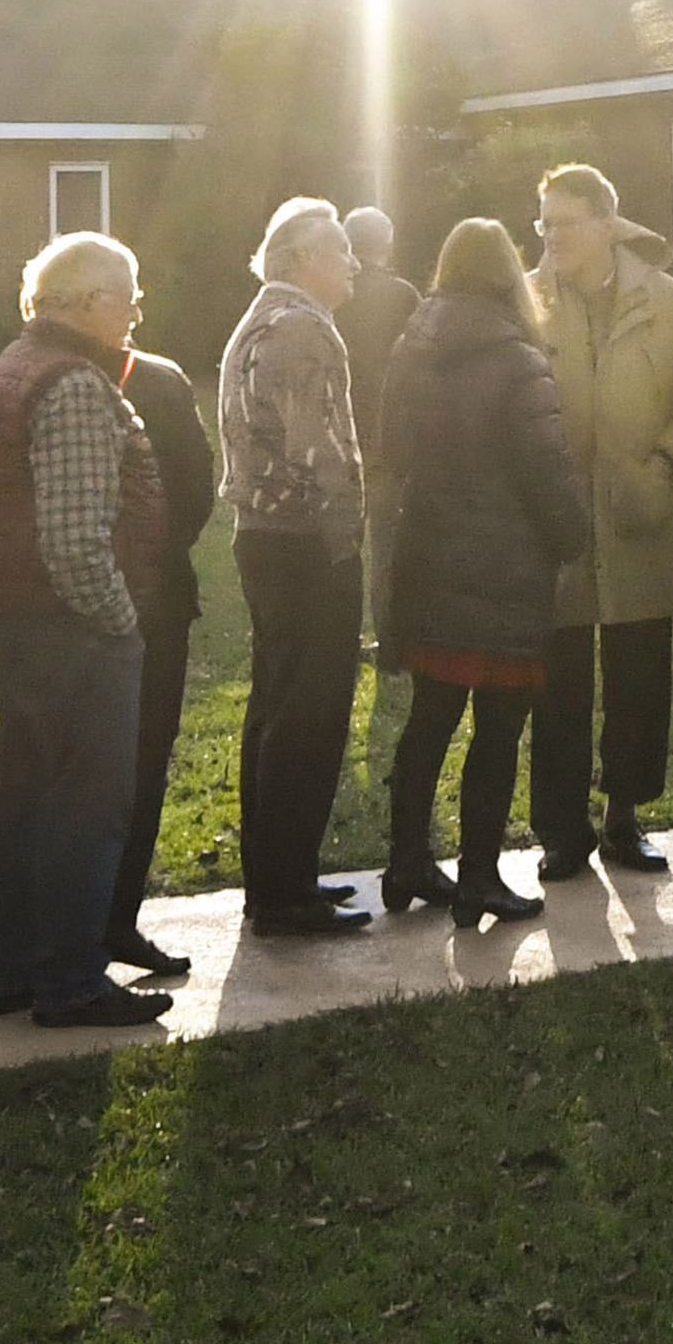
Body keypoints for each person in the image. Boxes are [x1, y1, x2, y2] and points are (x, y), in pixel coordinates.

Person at [0, 230, 170, 1030]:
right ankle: (73, 979)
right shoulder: (75, 384)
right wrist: (121, 624)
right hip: (71, 627)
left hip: (12, 616)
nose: (136, 314)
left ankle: (10, 970)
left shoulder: (10, 366)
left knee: (22, 801)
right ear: (87, 303)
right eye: (129, 297)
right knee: (88, 806)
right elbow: (76, 538)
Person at [370, 220, 582, 920]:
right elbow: (545, 468)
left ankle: (406, 862)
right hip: (504, 561)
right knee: (498, 726)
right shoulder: (518, 358)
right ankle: (480, 875)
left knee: (429, 717)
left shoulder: (412, 346)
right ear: (508, 274)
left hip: (429, 551)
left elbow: (391, 447)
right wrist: (575, 537)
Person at [530, 165, 673, 881]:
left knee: (639, 677)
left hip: (639, 518)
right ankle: (560, 830)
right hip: (556, 526)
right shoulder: (529, 301)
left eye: (564, 221)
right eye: (543, 222)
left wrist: (666, 465)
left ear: (606, 226)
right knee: (558, 685)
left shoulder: (666, 301)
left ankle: (625, 819)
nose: (551, 235)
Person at [214, 199, 378, 935]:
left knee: (276, 710)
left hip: (265, 536)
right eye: (341, 249)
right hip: (307, 541)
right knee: (308, 715)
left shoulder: (259, 317)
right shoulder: (305, 328)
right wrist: (352, 533)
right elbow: (319, 452)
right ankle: (285, 894)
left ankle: (280, 879)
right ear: (304, 259)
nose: (354, 263)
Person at [94, 318, 221, 983]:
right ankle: (113, 918)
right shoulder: (162, 382)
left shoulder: (25, 373)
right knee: (142, 762)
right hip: (156, 595)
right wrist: (161, 550)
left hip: (72, 596)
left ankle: (70, 927)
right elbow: (195, 489)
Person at [334, 203, 421, 660]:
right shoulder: (404, 296)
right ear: (386, 244)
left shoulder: (335, 294)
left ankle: (339, 640)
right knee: (387, 547)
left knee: (340, 547)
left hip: (339, 436)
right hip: (390, 439)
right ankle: (391, 644)